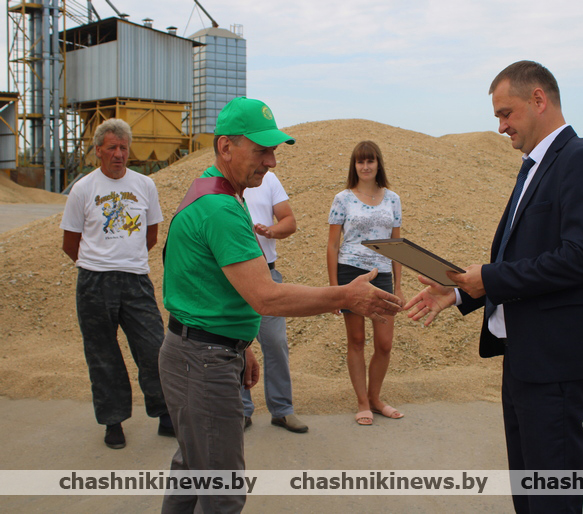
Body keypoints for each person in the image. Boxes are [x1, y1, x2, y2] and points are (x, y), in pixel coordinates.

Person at [159, 97, 401, 513]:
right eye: (261, 151)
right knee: (221, 493)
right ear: (225, 147)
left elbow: (209, 289)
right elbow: (266, 295)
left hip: (198, 350)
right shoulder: (221, 209)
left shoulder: (213, 191)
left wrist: (240, 344)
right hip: (203, 362)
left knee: (192, 473)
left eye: (272, 151)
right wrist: (345, 295)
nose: (271, 162)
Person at [405, 61, 583, 513]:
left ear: (538, 99)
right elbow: (524, 260)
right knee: (528, 490)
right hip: (527, 354)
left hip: (557, 358)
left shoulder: (581, 161)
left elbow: (582, 258)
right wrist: (460, 291)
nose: (501, 126)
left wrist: (488, 278)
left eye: (506, 114)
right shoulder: (536, 167)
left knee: (550, 495)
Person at [60, 118, 172, 450]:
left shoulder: (144, 185)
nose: (119, 154)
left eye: (124, 147)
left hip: (136, 281)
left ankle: (166, 414)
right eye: (112, 148)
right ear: (98, 151)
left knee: (154, 348)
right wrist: (99, 263)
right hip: (94, 283)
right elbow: (70, 243)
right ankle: (113, 421)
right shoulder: (83, 189)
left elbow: (151, 235)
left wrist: (126, 259)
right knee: (103, 354)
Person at [327, 141, 405, 426]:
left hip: (382, 274)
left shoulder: (393, 199)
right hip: (350, 273)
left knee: (384, 344)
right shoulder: (342, 199)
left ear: (378, 164)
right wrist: (334, 289)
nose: (365, 166)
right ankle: (362, 402)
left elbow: (397, 244)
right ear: (354, 165)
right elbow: (333, 245)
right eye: (360, 161)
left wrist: (399, 285)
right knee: (357, 340)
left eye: (370, 161)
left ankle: (375, 398)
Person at [239, 171, 309, 434]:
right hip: (233, 275)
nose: (267, 159)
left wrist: (271, 231)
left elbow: (288, 221)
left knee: (276, 342)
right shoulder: (221, 182)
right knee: (235, 344)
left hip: (267, 273)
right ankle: (240, 410)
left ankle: (281, 410)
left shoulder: (269, 179)